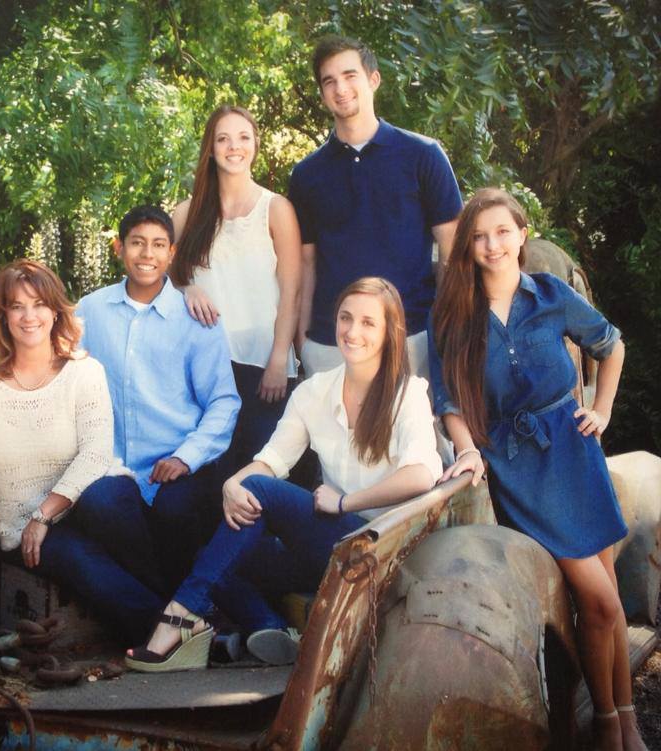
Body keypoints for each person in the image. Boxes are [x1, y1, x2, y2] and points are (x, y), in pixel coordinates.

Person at [125, 277, 442, 672]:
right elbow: (272, 460)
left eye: (367, 323)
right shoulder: (315, 392)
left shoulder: (406, 393)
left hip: (385, 548)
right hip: (330, 549)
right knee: (215, 555)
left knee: (253, 500)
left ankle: (180, 619)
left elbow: (422, 476)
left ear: (389, 333)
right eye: (346, 318)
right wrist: (231, 484)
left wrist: (345, 502)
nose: (352, 331)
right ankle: (270, 628)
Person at [428, 188, 645, 751]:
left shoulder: (550, 294)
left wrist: (601, 409)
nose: (492, 244)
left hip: (575, 451)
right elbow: (449, 399)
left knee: (610, 599)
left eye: (503, 232)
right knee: (597, 601)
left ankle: (626, 723)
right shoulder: (454, 313)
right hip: (519, 466)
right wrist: (466, 448)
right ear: (468, 246)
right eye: (480, 236)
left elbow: (611, 344)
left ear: (523, 234)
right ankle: (603, 723)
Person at [0, 259, 162, 644]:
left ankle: (177, 614)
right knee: (81, 561)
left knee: (111, 495)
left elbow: (96, 453)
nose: (28, 316)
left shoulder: (85, 372)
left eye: (38, 304)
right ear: (2, 315)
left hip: (84, 507)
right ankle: (173, 628)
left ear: (56, 311)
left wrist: (45, 513)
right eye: (16, 306)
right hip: (24, 528)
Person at [75, 205, 241, 598]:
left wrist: (186, 456)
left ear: (172, 253)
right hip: (112, 463)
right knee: (97, 502)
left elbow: (223, 401)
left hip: (177, 462)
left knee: (173, 511)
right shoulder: (89, 312)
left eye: (157, 245)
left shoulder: (195, 319)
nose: (147, 254)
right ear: (119, 248)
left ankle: (167, 609)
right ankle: (171, 608)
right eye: (137, 243)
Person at [289, 36, 462, 378]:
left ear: (373, 79)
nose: (341, 88)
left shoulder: (423, 155)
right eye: (329, 81)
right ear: (322, 94)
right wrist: (302, 339)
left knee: (412, 432)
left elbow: (452, 250)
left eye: (350, 75)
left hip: (410, 337)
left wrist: (446, 327)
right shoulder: (307, 174)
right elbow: (306, 265)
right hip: (330, 343)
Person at [171, 105, 302, 469]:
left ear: (255, 145)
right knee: (210, 474)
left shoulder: (275, 209)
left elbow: (291, 291)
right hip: (206, 367)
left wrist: (279, 357)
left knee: (257, 472)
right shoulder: (186, 213)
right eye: (223, 139)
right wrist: (186, 288)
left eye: (243, 137)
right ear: (210, 148)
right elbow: (156, 275)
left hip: (263, 365)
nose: (234, 147)